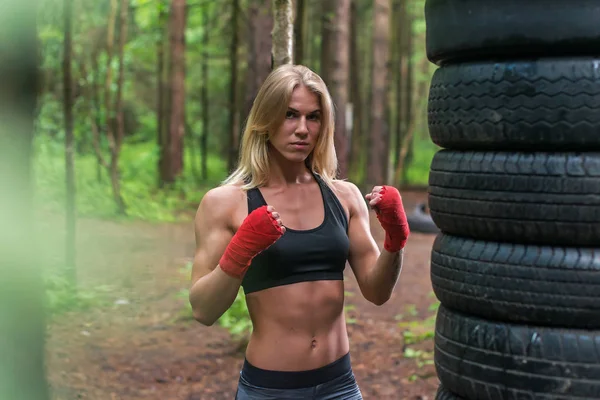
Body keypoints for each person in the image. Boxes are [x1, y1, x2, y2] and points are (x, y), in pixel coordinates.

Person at [189, 64, 409, 399]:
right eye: (290, 115)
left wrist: (395, 238)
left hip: (340, 386)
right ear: (266, 120)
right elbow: (203, 310)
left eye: (314, 117)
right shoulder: (226, 203)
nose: (303, 129)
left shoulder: (344, 196)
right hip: (270, 389)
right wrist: (241, 250)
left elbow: (377, 292)